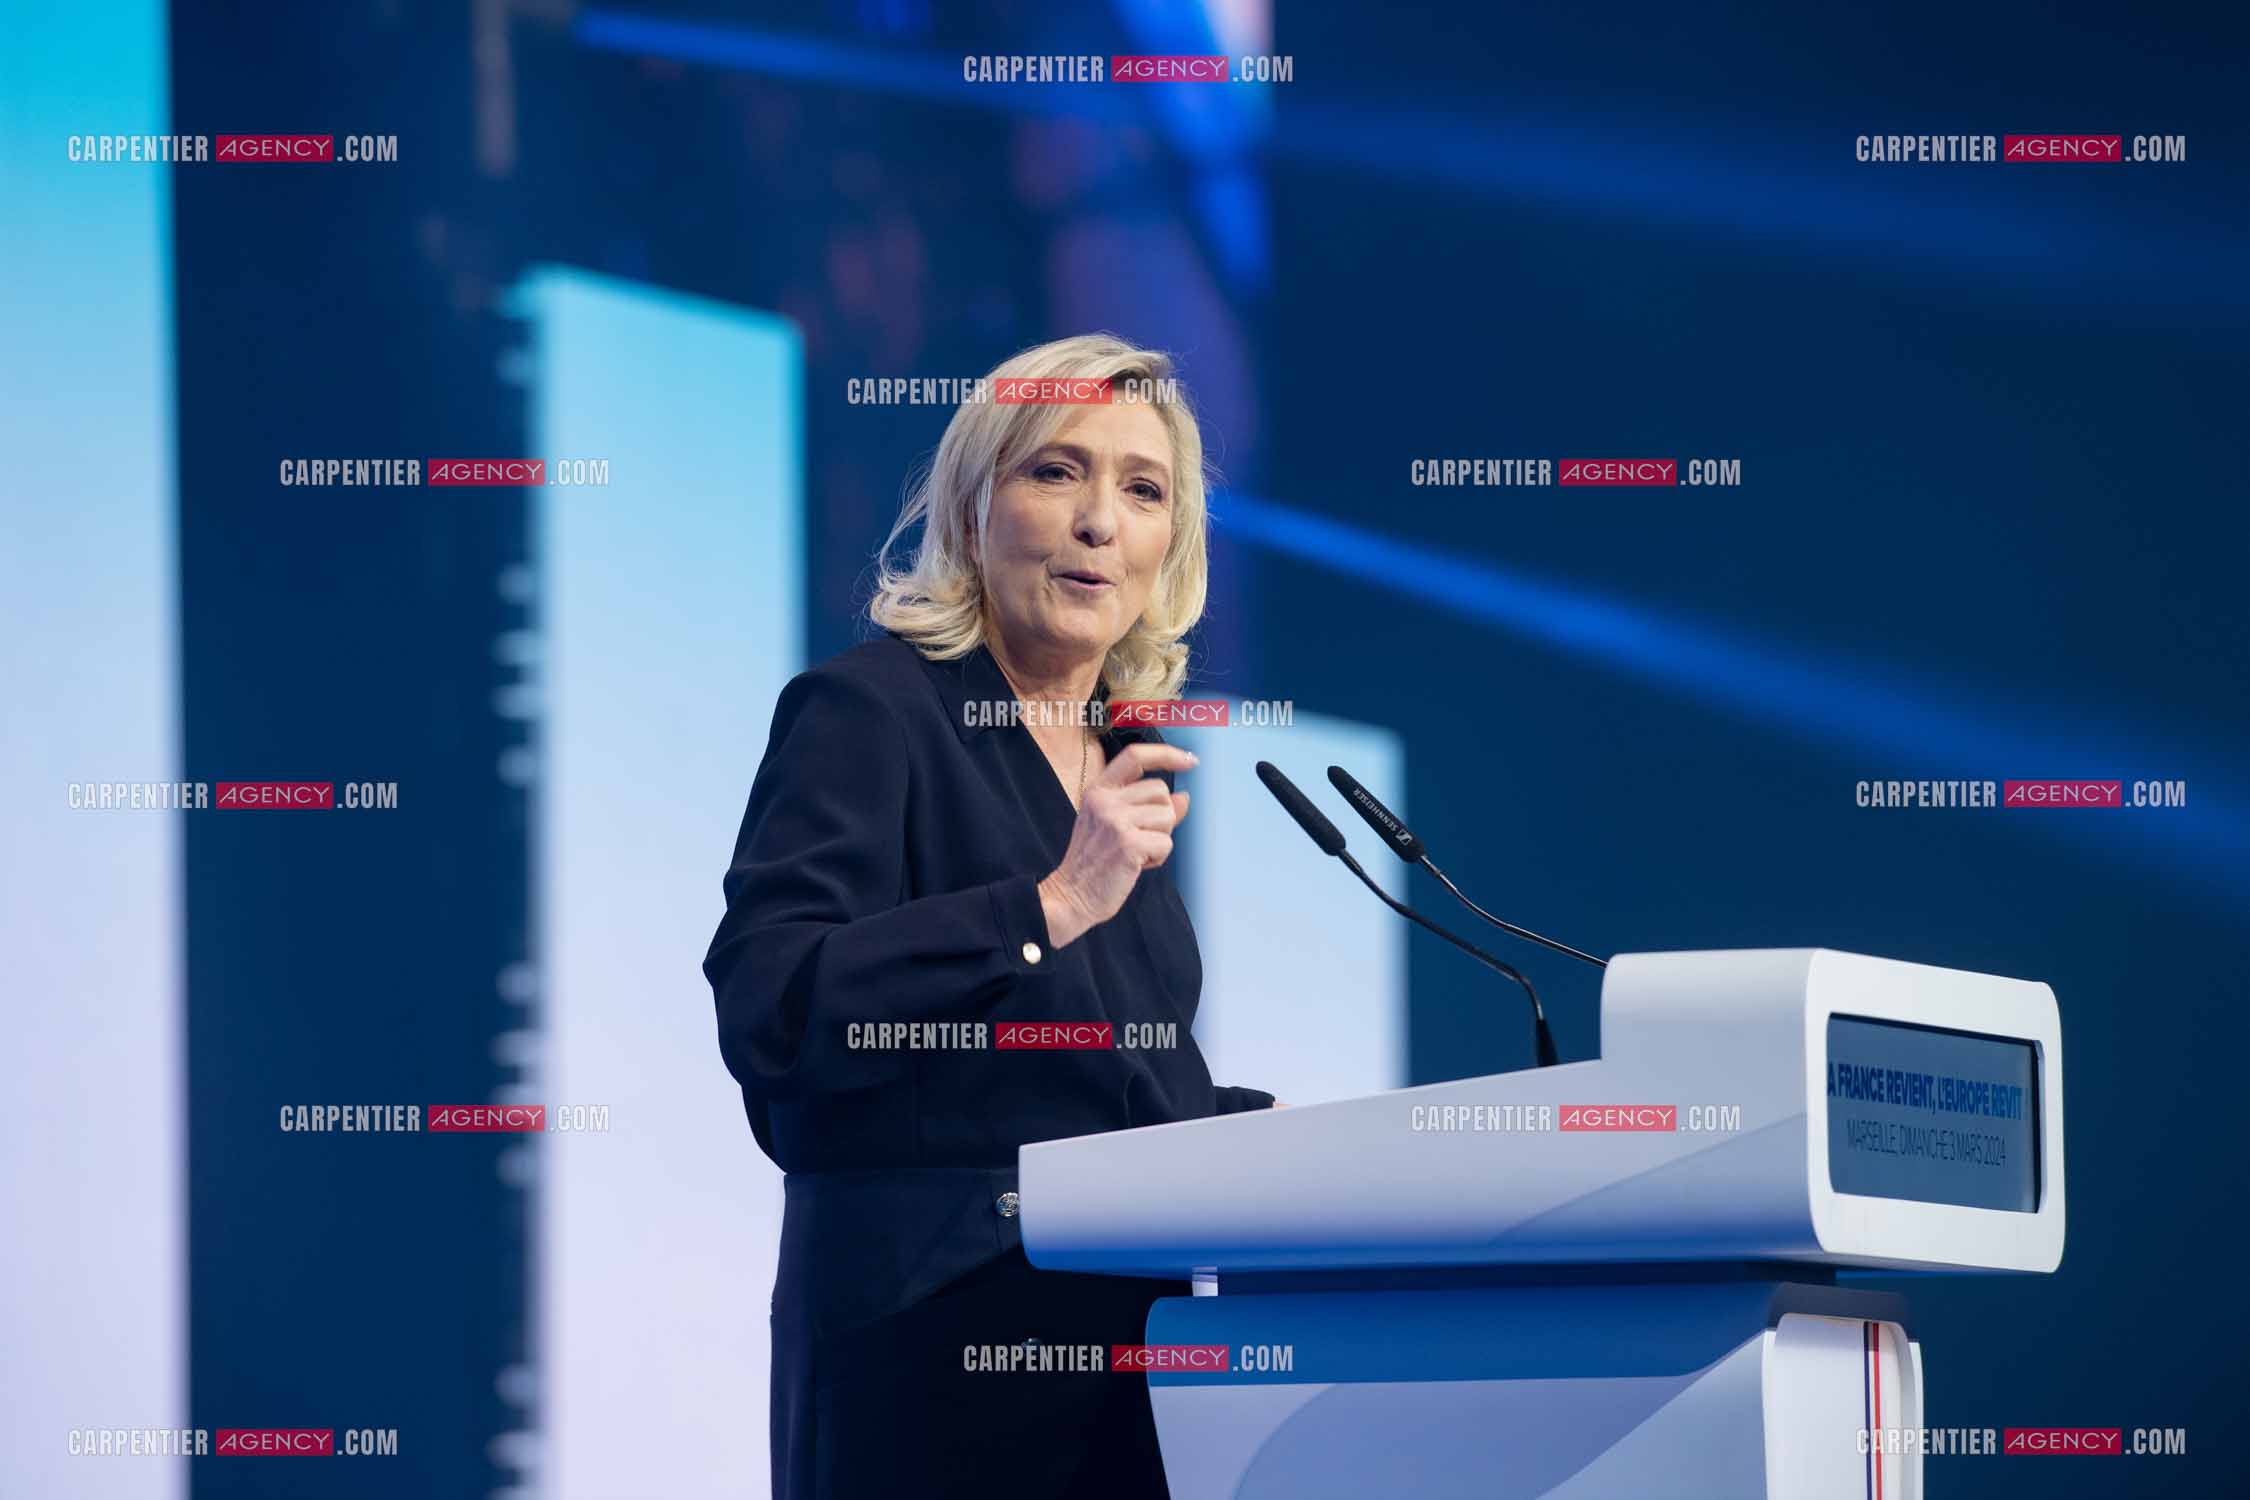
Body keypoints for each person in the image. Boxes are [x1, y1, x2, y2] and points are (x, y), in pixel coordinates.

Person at [704, 333, 1277, 1499]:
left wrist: (1283, 1151)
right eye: (1056, 472)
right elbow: (775, 1009)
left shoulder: (1120, 764)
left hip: (1129, 1375)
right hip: (928, 1370)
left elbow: (1100, 1084)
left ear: (1172, 547)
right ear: (974, 508)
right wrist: (1049, 904)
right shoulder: (873, 712)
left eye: (1143, 488)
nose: (1100, 522)